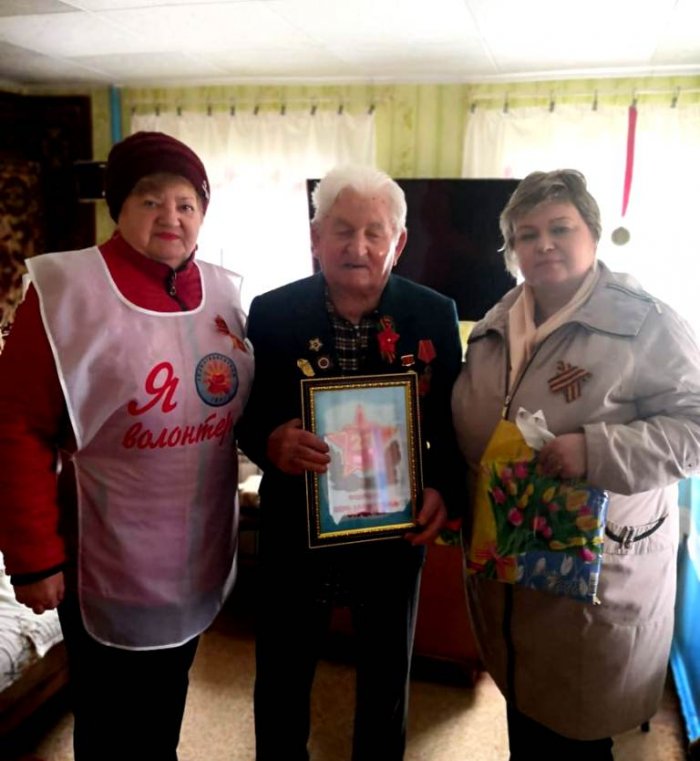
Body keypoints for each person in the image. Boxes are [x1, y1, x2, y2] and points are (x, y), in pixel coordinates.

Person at [0, 131, 254, 761]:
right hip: (108, 557)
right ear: (119, 207)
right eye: (150, 200)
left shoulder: (224, 295)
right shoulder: (66, 293)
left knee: (166, 700)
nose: (171, 216)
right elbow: (16, 425)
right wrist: (33, 558)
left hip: (196, 555)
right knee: (111, 722)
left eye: (187, 203)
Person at [451, 168, 700, 760]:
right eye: (526, 234)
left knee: (575, 736)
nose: (543, 245)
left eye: (560, 228)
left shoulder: (645, 323)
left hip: (596, 580)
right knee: (528, 721)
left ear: (592, 232)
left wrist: (596, 450)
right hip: (511, 574)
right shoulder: (496, 323)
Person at [236, 165, 464, 761]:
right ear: (316, 237)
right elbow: (247, 415)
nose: (356, 247)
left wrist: (443, 488)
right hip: (296, 533)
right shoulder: (272, 312)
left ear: (398, 241)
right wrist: (270, 442)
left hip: (394, 536)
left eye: (373, 232)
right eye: (341, 230)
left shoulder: (434, 314)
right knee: (281, 685)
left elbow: (449, 424)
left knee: (386, 688)